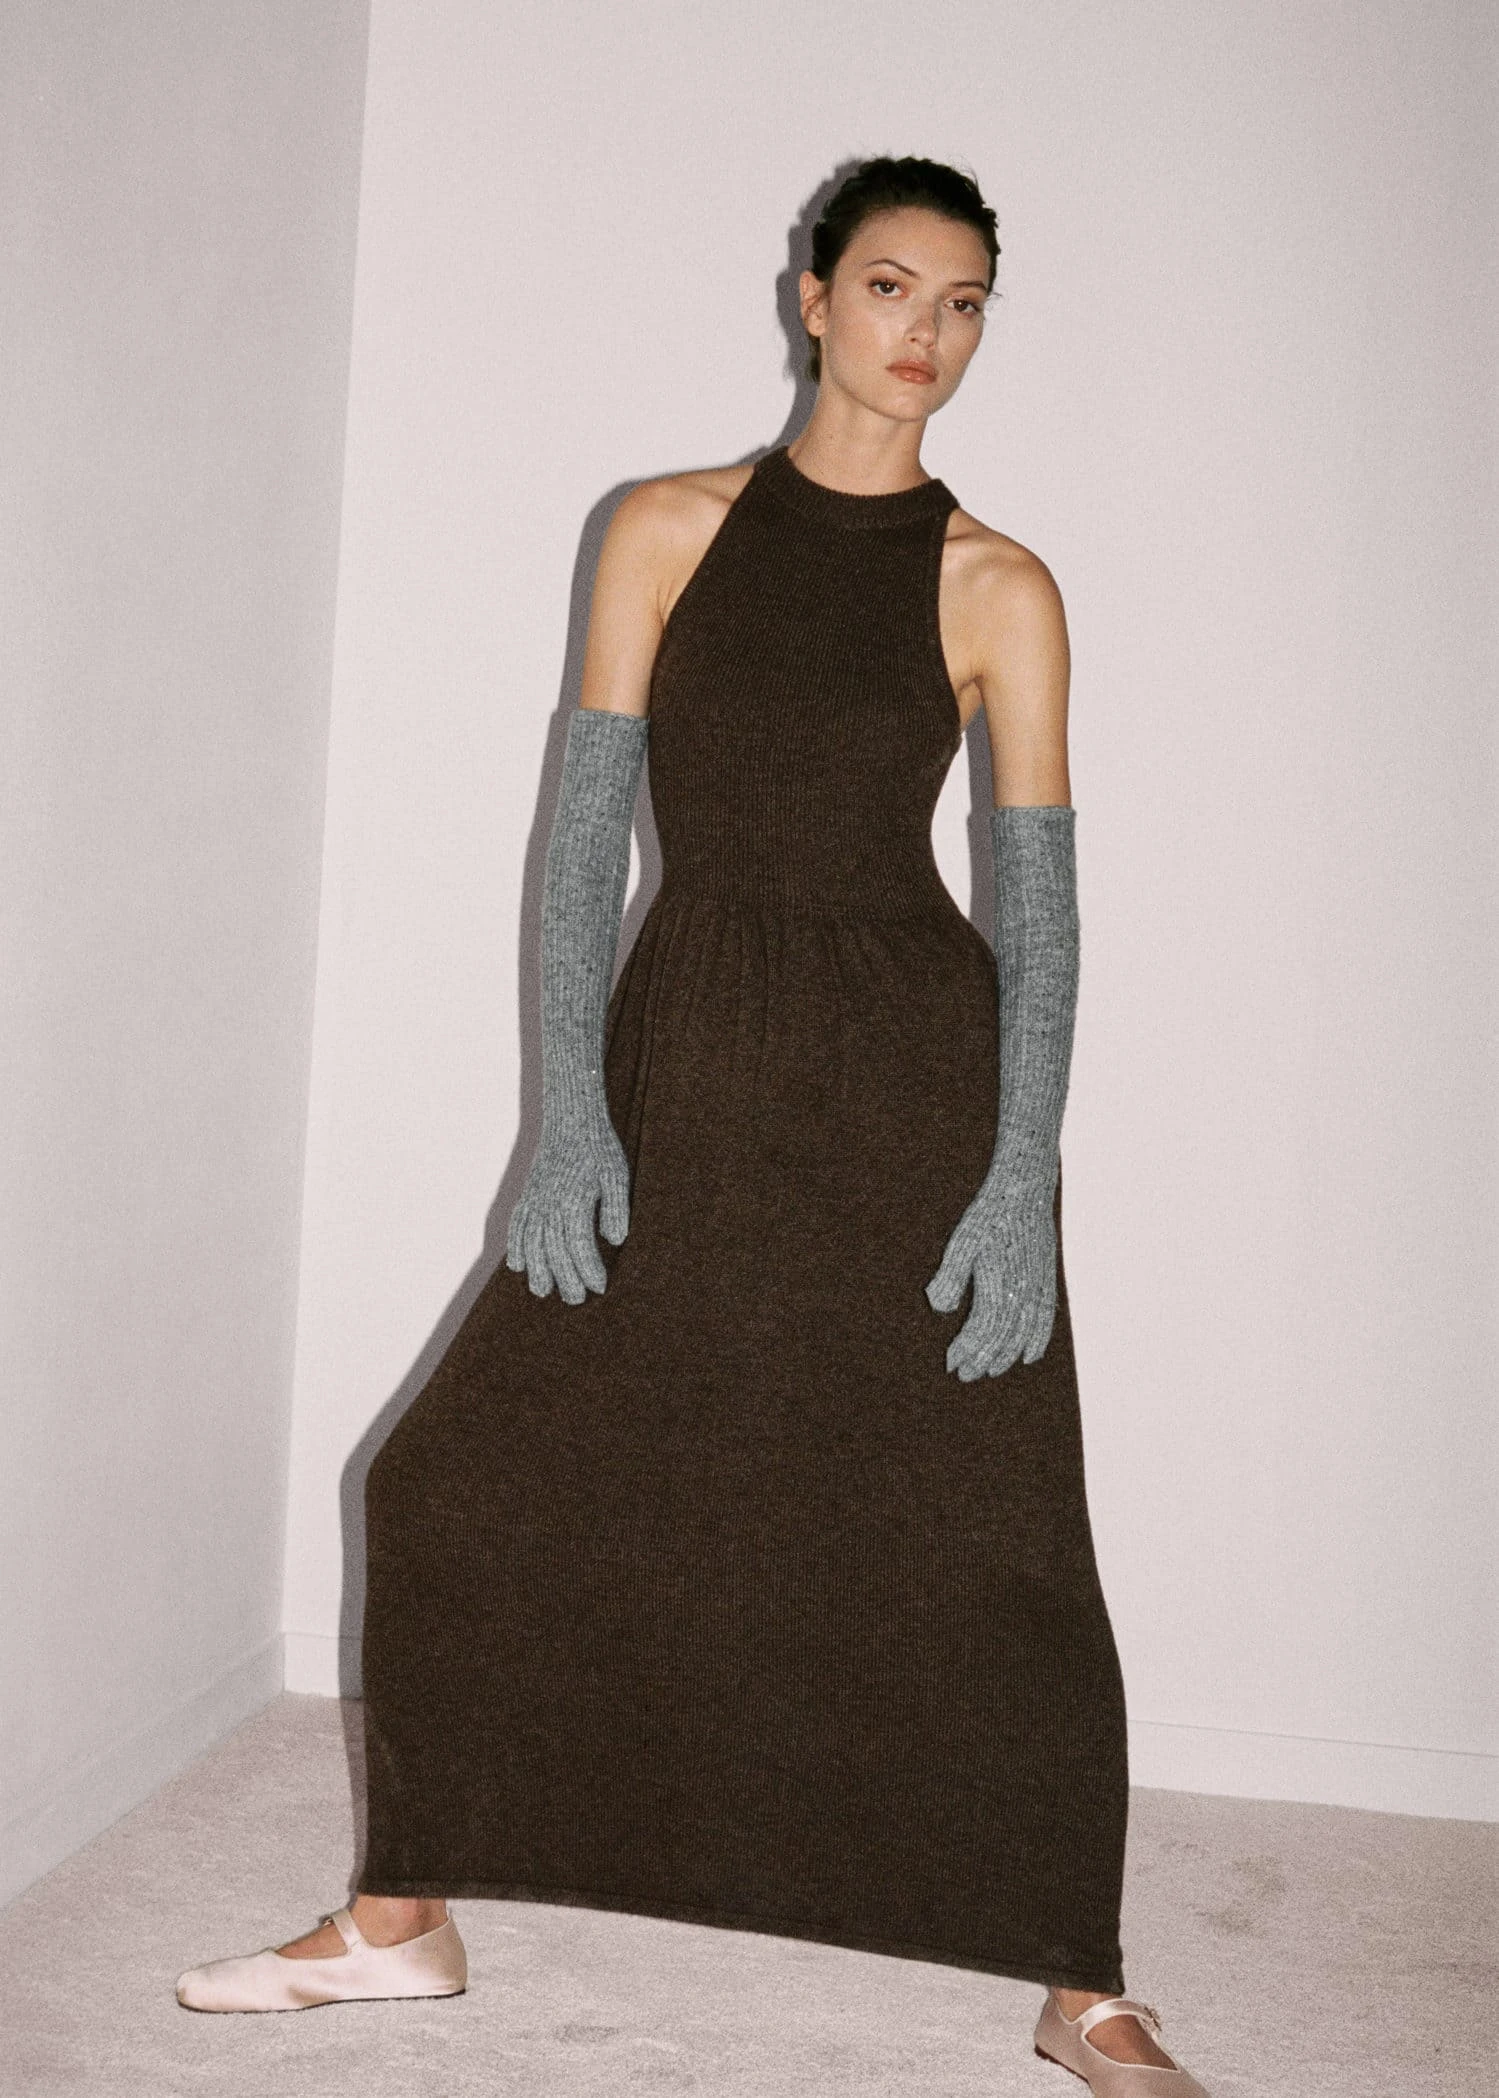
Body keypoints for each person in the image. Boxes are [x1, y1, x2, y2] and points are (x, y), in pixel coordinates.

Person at [176, 155, 1211, 2096]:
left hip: (908, 1083)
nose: (925, 334)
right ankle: (401, 1916)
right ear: (810, 295)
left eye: (963, 303)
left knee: (986, 1529)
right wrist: (568, 1110)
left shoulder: (997, 585)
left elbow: (1038, 908)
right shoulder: (662, 528)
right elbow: (585, 844)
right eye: (890, 286)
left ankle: (1080, 1976)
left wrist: (1020, 1171)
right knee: (451, 1477)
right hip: (686, 1055)